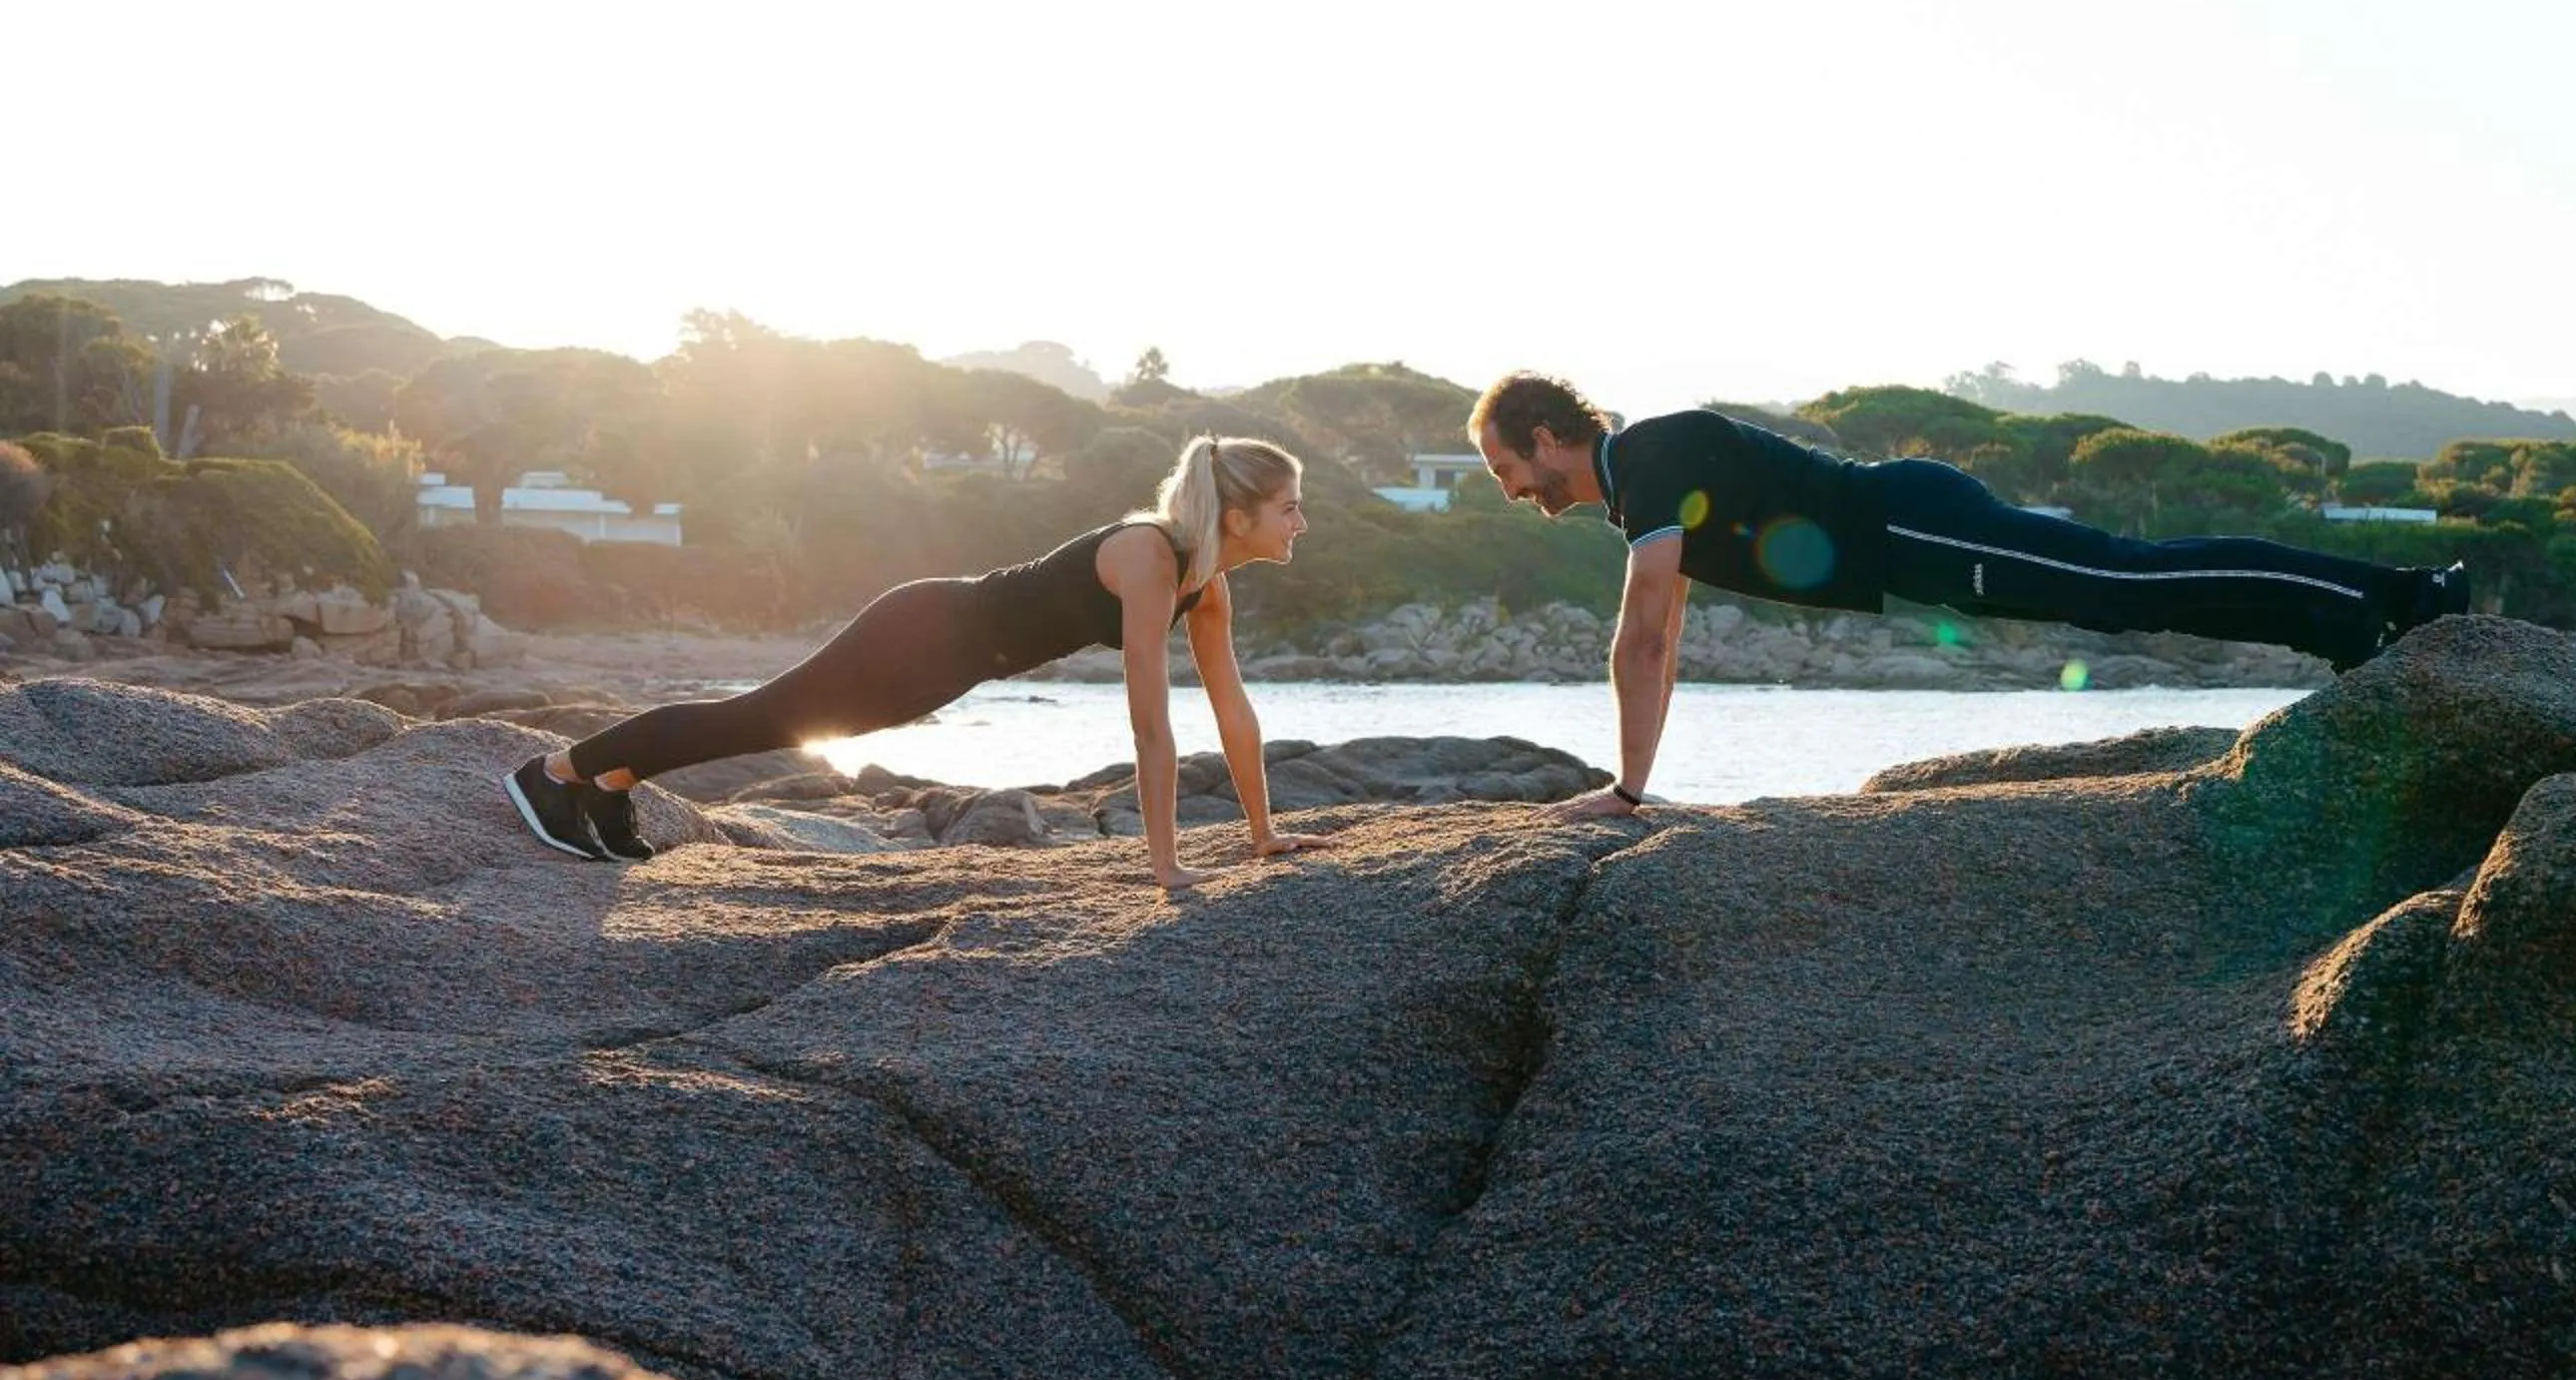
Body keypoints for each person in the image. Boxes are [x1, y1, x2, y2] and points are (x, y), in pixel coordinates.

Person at [1469, 372, 2470, 818]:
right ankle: (2355, 628)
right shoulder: (1641, 495)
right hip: (1917, 547)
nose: (1509, 491)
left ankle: (2399, 595)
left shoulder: (1652, 451)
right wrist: (1634, 786)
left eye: (1504, 467)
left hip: (1915, 525)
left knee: (2129, 573)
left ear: (1546, 435)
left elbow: (1640, 638)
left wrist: (1628, 794)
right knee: (2130, 594)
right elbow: (1665, 639)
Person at [500, 435, 1334, 891]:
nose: (1301, 523)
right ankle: (558, 770)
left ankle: (613, 786)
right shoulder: (1151, 560)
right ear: (1236, 513)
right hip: (925, 627)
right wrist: (1166, 866)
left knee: (775, 722)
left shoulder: (1207, 586)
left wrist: (1261, 836)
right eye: (1290, 508)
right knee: (764, 715)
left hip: (952, 666)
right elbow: (1151, 726)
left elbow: (1233, 712)